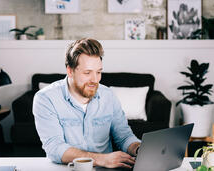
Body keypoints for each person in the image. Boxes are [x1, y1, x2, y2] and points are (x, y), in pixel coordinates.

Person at [33, 38, 140, 169]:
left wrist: (138, 148)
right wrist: (102, 159)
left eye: (99, 72)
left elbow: (124, 136)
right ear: (70, 70)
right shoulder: (45, 98)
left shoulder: (108, 96)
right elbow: (55, 148)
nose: (95, 80)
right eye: (87, 73)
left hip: (106, 169)